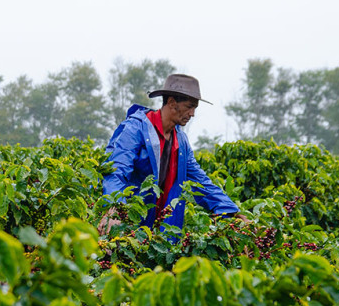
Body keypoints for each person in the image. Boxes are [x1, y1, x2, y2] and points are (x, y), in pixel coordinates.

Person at [99, 73, 246, 236]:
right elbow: (116, 171)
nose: (192, 114)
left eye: (195, 108)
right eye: (189, 106)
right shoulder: (135, 129)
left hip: (160, 228)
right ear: (171, 102)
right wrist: (114, 208)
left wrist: (232, 212)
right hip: (127, 223)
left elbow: (200, 181)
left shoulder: (181, 141)